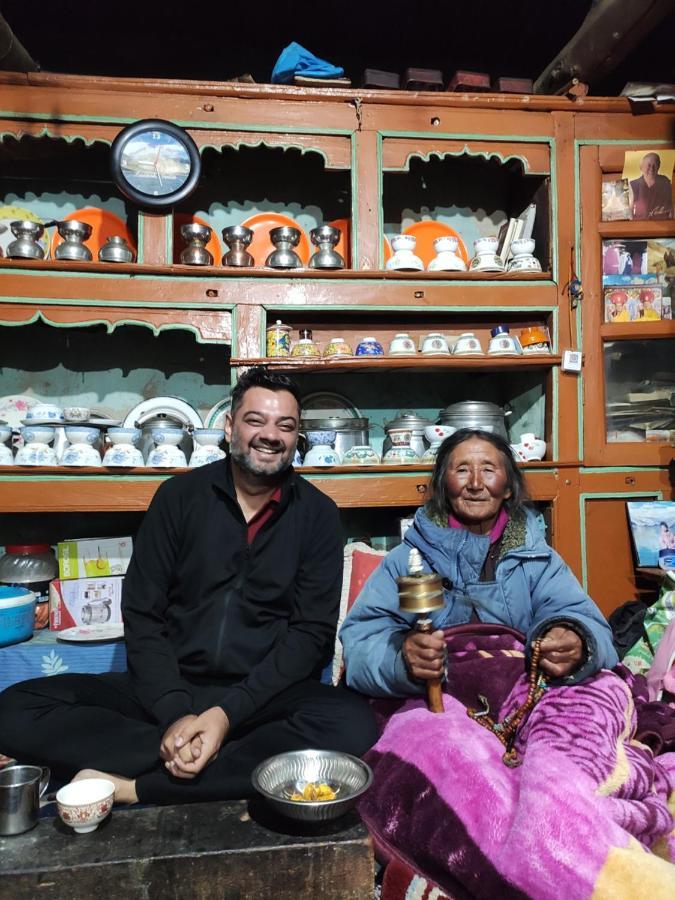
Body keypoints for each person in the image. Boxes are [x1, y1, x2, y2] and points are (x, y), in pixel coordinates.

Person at [0, 367, 377, 804]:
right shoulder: (178, 499)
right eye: (255, 420)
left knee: (351, 725)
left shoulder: (318, 515)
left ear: (297, 437)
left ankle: (136, 787)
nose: (270, 435)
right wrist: (177, 713)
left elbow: (309, 636)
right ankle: (206, 757)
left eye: (285, 426)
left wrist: (225, 716)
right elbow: (142, 614)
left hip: (263, 698)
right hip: (167, 688)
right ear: (230, 425)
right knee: (15, 708)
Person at [340, 429, 618, 698]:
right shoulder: (408, 561)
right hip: (435, 702)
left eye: (488, 470)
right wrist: (403, 662)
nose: (475, 484)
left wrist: (575, 641)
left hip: (525, 695)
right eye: (461, 470)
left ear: (508, 487)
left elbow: (588, 625)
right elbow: (362, 643)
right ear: (442, 485)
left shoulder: (536, 560)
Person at [629, 152, 673, 220]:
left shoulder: (666, 183)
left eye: (654, 165)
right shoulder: (632, 185)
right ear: (641, 167)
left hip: (662, 226)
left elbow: (672, 209)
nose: (651, 168)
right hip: (639, 226)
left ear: (658, 167)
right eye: (648, 165)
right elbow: (629, 213)